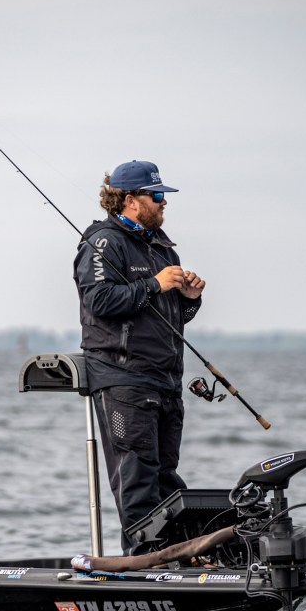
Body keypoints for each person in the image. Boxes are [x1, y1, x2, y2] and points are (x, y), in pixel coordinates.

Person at [73, 160, 206, 555]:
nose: (164, 202)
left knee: (166, 480)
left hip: (165, 381)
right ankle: (143, 563)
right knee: (137, 480)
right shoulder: (104, 243)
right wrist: (154, 284)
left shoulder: (162, 247)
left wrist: (190, 299)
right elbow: (98, 301)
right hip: (122, 380)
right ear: (130, 200)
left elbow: (170, 318)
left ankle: (172, 558)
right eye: (157, 195)